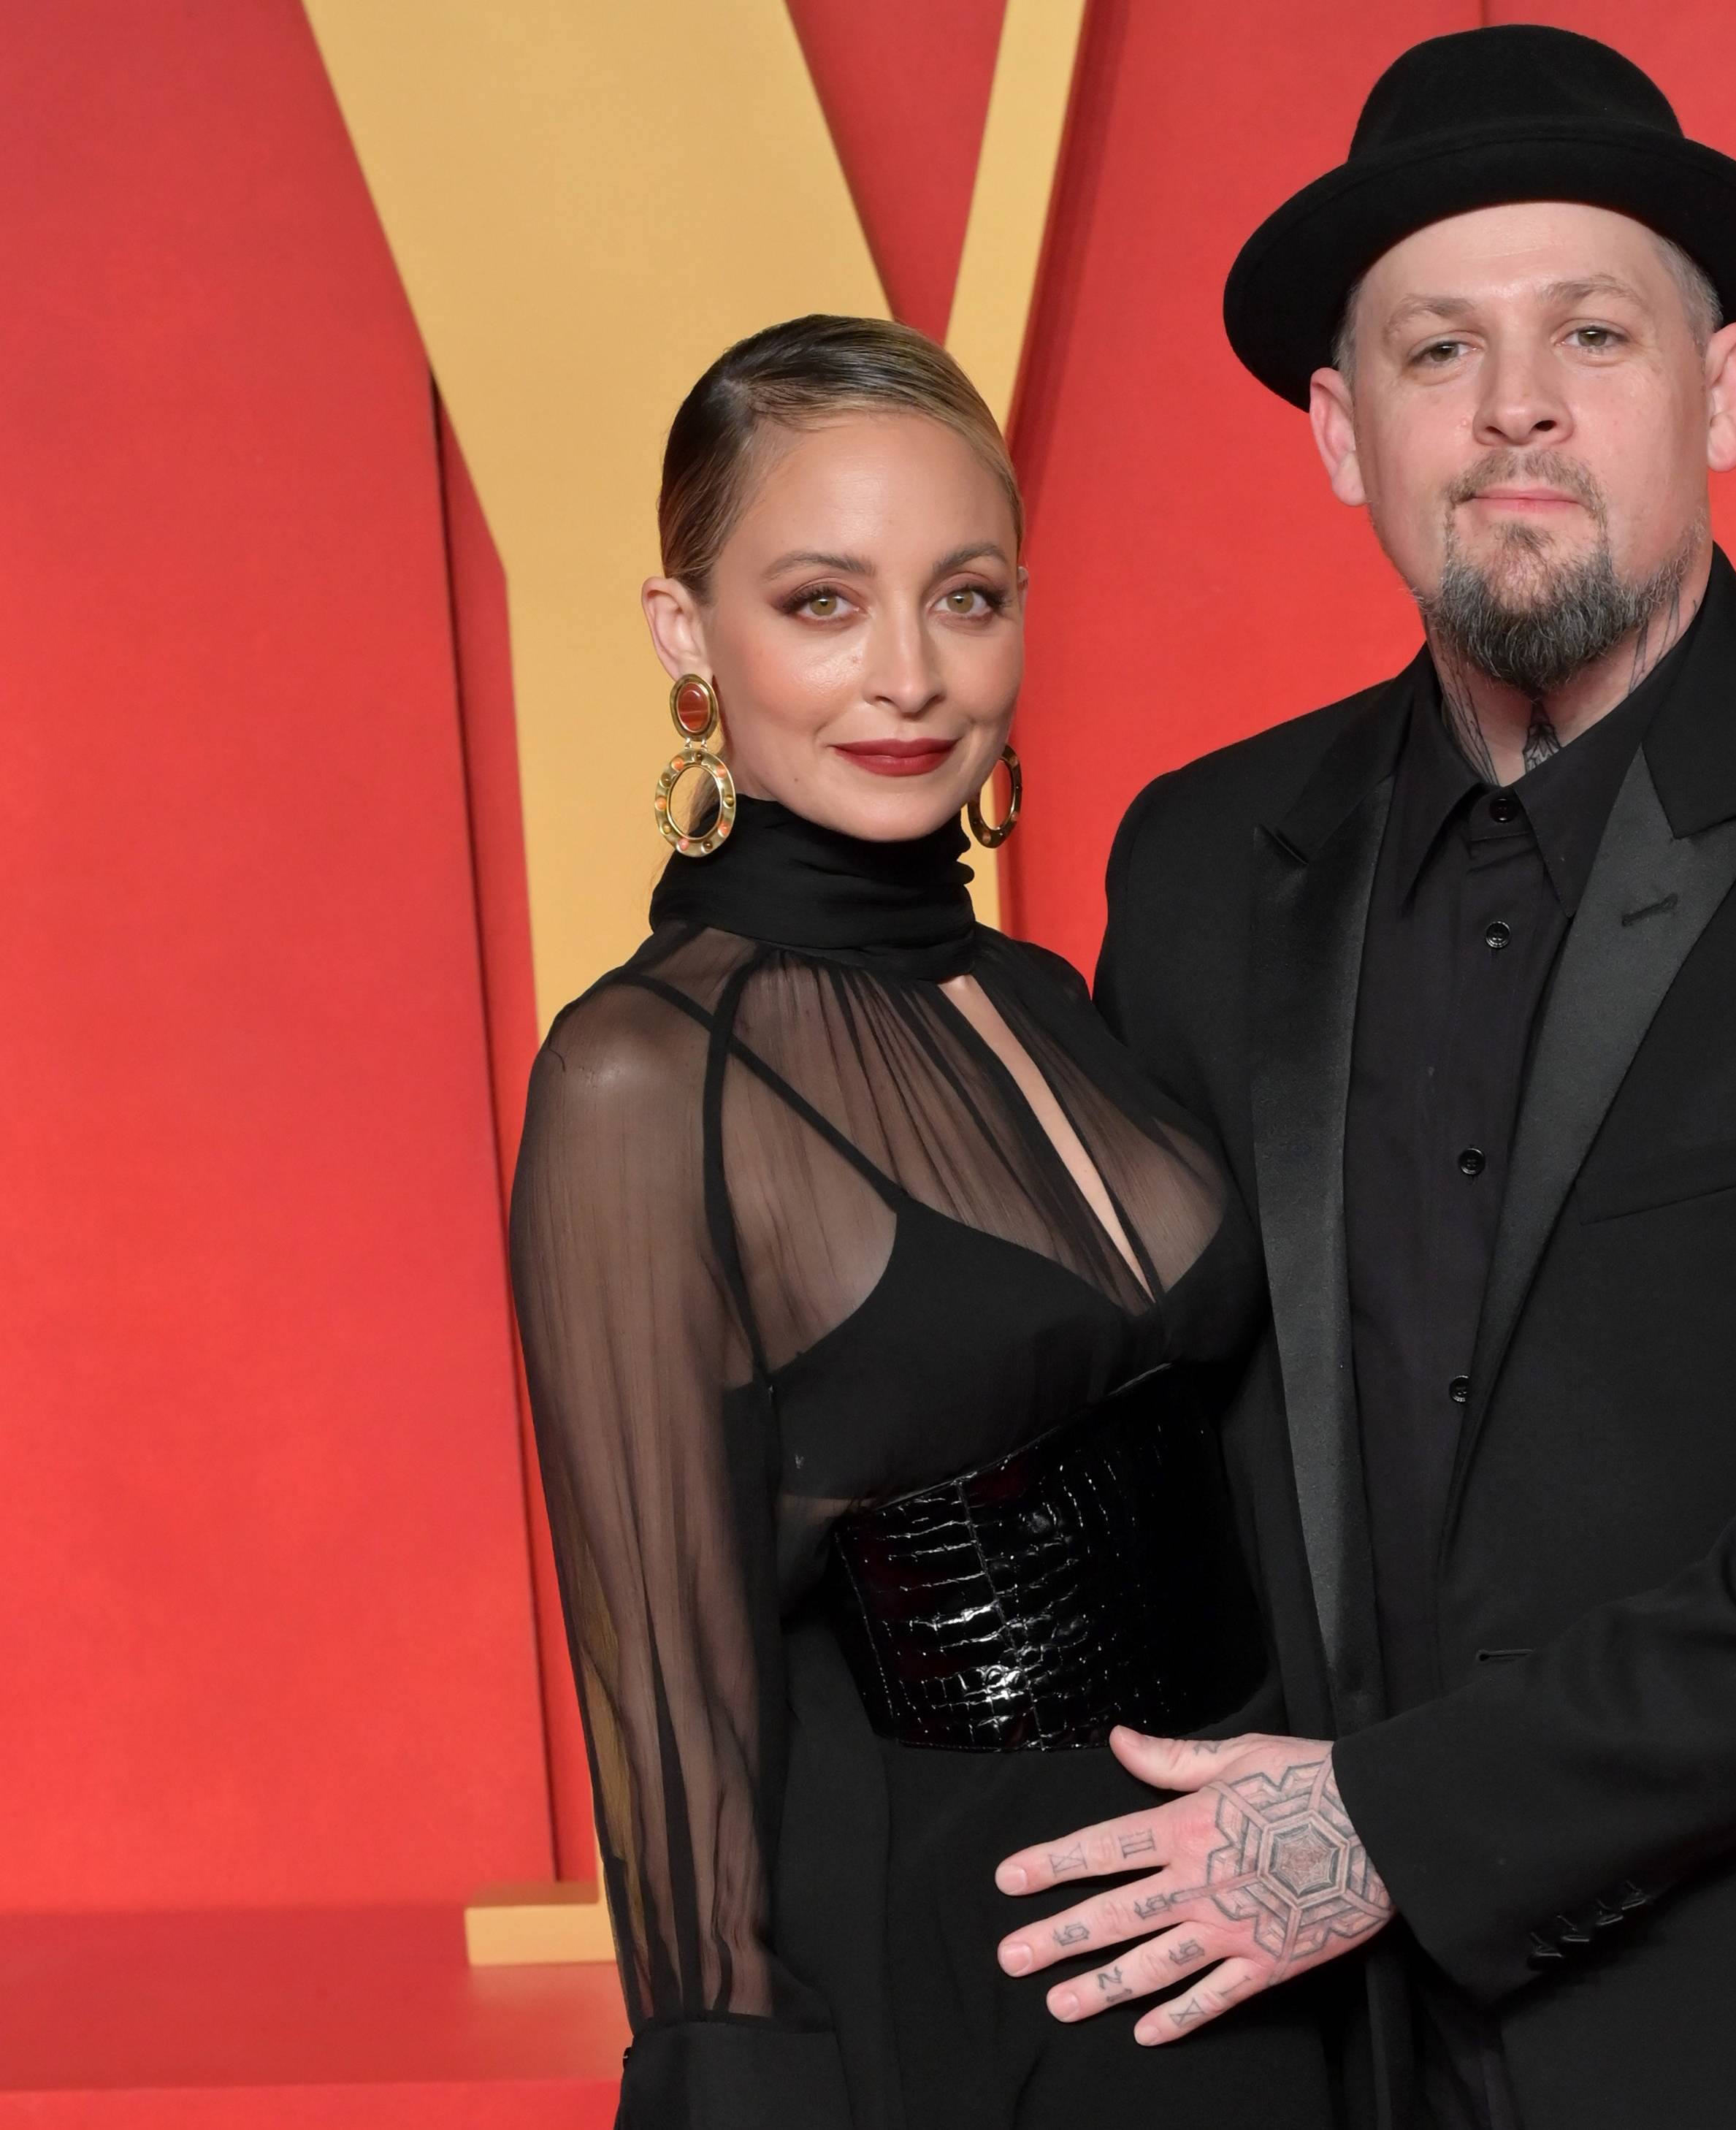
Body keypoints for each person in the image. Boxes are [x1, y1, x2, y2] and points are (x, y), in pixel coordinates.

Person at [992, 25, 1736, 2130]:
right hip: (1357, 2061)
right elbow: (1157, 1432)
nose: (1516, 403)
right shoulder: (1195, 859)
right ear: (1344, 432)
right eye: (1435, 350)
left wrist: (1386, 1824)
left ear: (1718, 391)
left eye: (1592, 331)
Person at [508, 316, 1344, 2129]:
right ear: (687, 636)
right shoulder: (643, 1083)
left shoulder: (1051, 996)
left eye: (964, 599)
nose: (906, 676)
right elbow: (674, 1720)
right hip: (972, 1990)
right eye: (822, 602)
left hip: (1263, 1935)